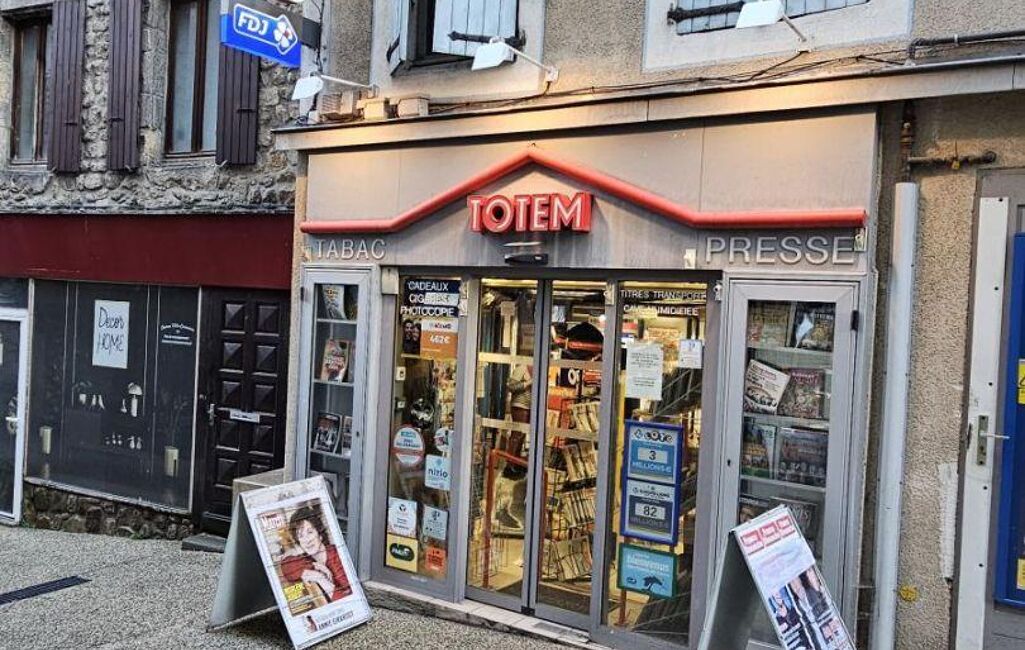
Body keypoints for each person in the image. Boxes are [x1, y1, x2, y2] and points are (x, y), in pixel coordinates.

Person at [280, 505, 352, 603]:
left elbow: (349, 600)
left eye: (310, 532)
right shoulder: (307, 559)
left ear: (320, 534)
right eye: (301, 536)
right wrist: (314, 567)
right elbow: (287, 566)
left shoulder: (336, 555)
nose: (307, 540)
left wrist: (322, 580)